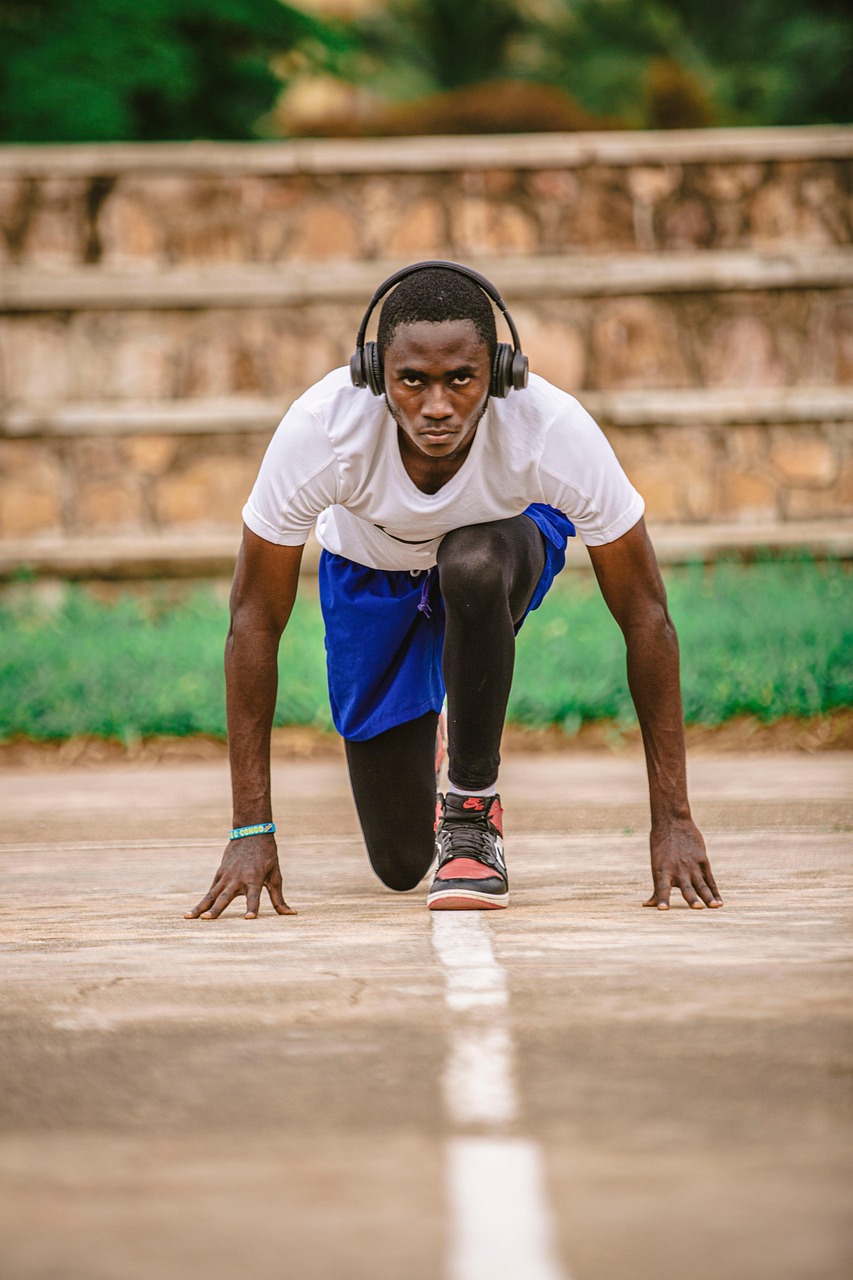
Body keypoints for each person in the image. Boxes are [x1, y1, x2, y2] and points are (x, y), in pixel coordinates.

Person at [186, 261, 722, 921]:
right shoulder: (323, 430)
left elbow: (645, 614)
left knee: (467, 561)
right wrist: (250, 829)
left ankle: (471, 810)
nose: (436, 407)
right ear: (375, 373)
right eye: (412, 381)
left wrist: (671, 818)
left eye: (460, 380)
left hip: (494, 555)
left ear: (498, 373)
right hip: (369, 577)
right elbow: (252, 621)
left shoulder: (548, 427)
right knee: (400, 863)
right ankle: (444, 713)